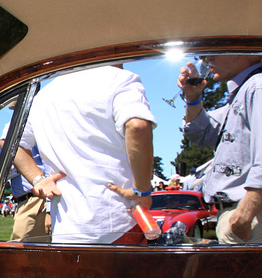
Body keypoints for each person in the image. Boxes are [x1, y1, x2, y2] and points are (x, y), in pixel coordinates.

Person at [13, 65, 157, 244]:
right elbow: (137, 126)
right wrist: (142, 191)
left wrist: (37, 179)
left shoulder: (43, 97)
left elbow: (13, 143)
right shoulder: (119, 79)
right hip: (118, 223)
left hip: (66, 229)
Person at [178, 56, 262, 244]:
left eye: (216, 51)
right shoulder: (248, 89)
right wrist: (193, 98)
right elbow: (202, 134)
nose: (207, 58)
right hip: (249, 217)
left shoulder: (261, 87)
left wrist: (243, 216)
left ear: (246, 53)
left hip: (253, 218)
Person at [0, 133, 51, 242]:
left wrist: (49, 209)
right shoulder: (20, 128)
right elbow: (14, 162)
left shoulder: (36, 131)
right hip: (26, 201)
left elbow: (49, 167)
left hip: (36, 200)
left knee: (19, 251)